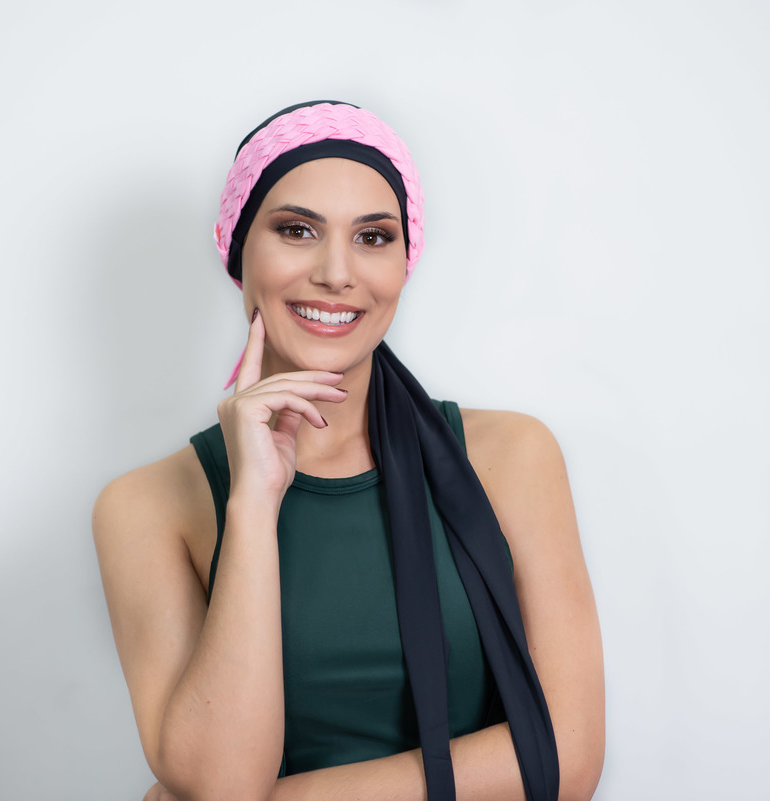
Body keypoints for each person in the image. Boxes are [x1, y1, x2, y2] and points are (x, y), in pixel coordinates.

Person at [93, 101, 605, 801]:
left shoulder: (512, 456)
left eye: (373, 236)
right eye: (297, 230)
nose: (337, 272)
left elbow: (565, 757)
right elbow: (220, 782)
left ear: (404, 261)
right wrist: (252, 504)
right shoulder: (145, 508)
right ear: (237, 250)